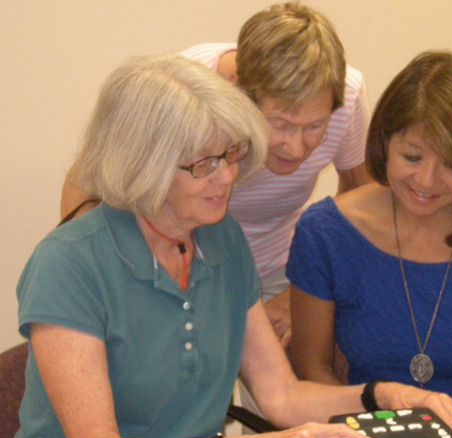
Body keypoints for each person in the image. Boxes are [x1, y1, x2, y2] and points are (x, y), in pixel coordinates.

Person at [6, 54, 452, 438]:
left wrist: (383, 396)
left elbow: (281, 395)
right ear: (142, 164)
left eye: (231, 155)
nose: (229, 176)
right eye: (204, 165)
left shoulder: (221, 239)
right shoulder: (69, 263)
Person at [60, 2, 374, 347]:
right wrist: (98, 280)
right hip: (177, 262)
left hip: (277, 265)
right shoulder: (180, 89)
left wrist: (302, 291)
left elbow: (362, 200)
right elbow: (86, 181)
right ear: (236, 89)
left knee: (277, 387)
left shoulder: (346, 95)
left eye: (315, 126)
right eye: (280, 124)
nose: (297, 149)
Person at [287, 50, 452, 402]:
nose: (426, 181)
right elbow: (313, 371)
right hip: (359, 432)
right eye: (411, 157)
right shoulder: (324, 233)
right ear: (384, 143)